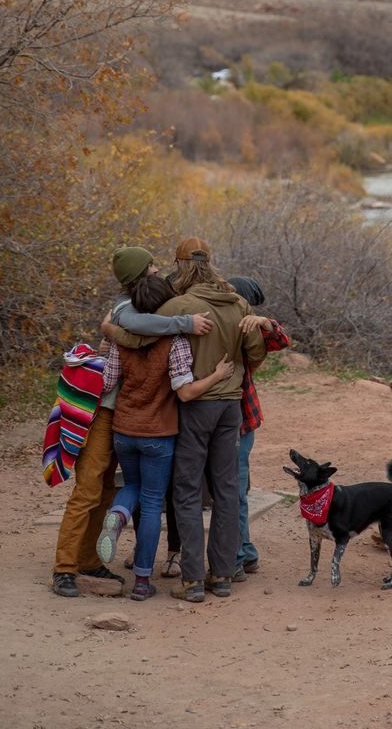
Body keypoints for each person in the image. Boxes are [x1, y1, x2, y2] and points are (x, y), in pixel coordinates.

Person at [49, 246, 211, 598]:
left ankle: (88, 558)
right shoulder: (125, 308)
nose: (157, 269)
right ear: (141, 273)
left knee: (108, 489)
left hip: (123, 415)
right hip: (103, 412)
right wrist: (183, 325)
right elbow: (138, 331)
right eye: (151, 265)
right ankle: (64, 567)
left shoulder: (144, 303)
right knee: (89, 489)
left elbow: (140, 334)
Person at [96, 269, 234, 600]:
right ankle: (143, 581)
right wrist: (217, 375)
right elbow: (185, 393)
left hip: (124, 430)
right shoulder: (175, 342)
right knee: (154, 499)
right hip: (159, 433)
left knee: (132, 487)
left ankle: (117, 515)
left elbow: (106, 383)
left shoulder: (122, 338)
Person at [163, 237, 266, 601]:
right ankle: (222, 575)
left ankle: (192, 580)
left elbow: (143, 338)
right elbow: (255, 354)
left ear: (181, 266)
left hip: (195, 405)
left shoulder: (178, 305)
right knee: (226, 489)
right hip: (230, 406)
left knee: (188, 489)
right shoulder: (239, 303)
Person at [227, 276, 290, 581]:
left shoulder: (250, 326)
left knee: (235, 491)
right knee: (236, 490)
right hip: (240, 418)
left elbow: (280, 340)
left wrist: (264, 322)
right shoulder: (230, 324)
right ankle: (246, 552)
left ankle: (239, 555)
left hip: (237, 420)